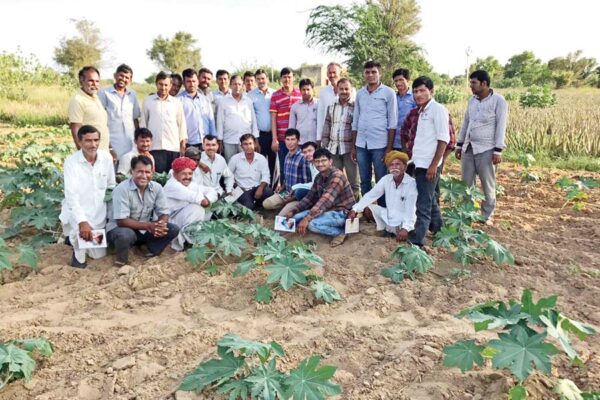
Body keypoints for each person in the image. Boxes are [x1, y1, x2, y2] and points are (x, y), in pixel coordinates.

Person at [456, 69, 508, 225]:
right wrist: (459, 145)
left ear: (484, 84)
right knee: (466, 183)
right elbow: (466, 122)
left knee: (487, 183)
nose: (471, 86)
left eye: (474, 83)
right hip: (469, 147)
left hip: (487, 148)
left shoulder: (498, 101)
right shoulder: (472, 101)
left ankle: (487, 216)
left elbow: (501, 125)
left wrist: (498, 149)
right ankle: (467, 213)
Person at [60, 125, 116, 268]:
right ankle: (75, 244)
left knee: (99, 255)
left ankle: (75, 239)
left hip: (98, 214)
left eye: (96, 140)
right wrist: (82, 221)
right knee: (81, 255)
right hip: (77, 212)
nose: (93, 144)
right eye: (88, 141)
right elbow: (71, 196)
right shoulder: (71, 162)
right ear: (79, 142)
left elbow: (111, 186)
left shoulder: (106, 158)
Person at [107, 155, 179, 266]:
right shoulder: (122, 189)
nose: (144, 176)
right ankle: (121, 260)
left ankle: (152, 251)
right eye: (140, 172)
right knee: (125, 234)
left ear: (153, 173)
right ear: (132, 172)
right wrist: (149, 226)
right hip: (121, 229)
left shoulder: (157, 188)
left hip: (144, 229)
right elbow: (121, 221)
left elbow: (164, 212)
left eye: (147, 172)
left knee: (173, 229)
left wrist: (161, 225)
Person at [284, 148, 355, 247]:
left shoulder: (337, 176)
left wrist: (307, 218)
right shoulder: (319, 177)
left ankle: (340, 232)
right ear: (313, 163)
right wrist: (294, 211)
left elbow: (325, 201)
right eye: (317, 161)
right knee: (295, 217)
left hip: (341, 212)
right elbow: (309, 198)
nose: (320, 164)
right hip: (326, 210)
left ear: (330, 161)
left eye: (323, 161)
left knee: (313, 224)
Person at [408, 76, 450, 247]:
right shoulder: (422, 111)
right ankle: (439, 229)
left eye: (422, 91)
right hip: (419, 162)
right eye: (415, 91)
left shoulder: (438, 110)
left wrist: (434, 165)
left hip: (428, 165)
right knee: (431, 199)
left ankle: (418, 240)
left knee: (423, 204)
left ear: (431, 92)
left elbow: (443, 140)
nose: (418, 95)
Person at [352, 61, 397, 203]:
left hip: (380, 144)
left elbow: (392, 122)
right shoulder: (360, 94)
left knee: (381, 179)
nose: (370, 75)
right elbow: (356, 120)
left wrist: (389, 148)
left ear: (380, 73)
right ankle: (367, 209)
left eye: (374, 72)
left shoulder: (388, 93)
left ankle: (383, 210)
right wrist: (354, 146)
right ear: (364, 74)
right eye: (367, 72)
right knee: (364, 180)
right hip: (361, 144)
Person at [349, 151, 417, 241]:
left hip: (403, 222)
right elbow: (371, 195)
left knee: (411, 228)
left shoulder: (411, 183)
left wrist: (406, 228)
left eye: (398, 164)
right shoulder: (386, 179)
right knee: (367, 209)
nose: (394, 167)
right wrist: (355, 209)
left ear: (405, 167)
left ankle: (395, 231)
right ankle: (386, 230)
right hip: (388, 217)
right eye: (391, 165)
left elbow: (411, 209)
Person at [164, 157, 218, 251]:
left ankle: (193, 238)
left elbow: (211, 191)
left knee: (206, 211)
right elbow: (200, 201)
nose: (187, 177)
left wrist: (208, 199)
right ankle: (188, 242)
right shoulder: (172, 185)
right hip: (169, 223)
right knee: (197, 209)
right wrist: (205, 200)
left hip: (179, 218)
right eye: (183, 173)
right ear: (174, 174)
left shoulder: (189, 183)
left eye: (190, 173)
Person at [140, 71, 187, 173]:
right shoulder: (148, 101)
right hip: (154, 147)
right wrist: (144, 147)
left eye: (166, 85)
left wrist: (182, 144)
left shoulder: (176, 103)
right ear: (156, 84)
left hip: (173, 147)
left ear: (170, 86)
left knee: (172, 177)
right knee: (157, 178)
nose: (163, 87)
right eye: (160, 84)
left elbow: (181, 124)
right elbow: (143, 125)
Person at [321, 78, 359, 197]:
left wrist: (355, 147)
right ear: (337, 90)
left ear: (351, 90)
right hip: (334, 148)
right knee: (335, 180)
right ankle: (339, 205)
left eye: (346, 89)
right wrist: (325, 143)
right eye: (341, 89)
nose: (344, 91)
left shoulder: (356, 106)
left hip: (349, 149)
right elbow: (327, 124)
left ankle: (354, 208)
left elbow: (357, 127)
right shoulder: (332, 106)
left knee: (353, 181)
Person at [98, 64, 141, 159]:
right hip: (112, 140)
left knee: (129, 168)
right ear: (115, 75)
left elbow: (135, 119)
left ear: (130, 80)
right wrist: (108, 145)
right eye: (121, 75)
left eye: (127, 77)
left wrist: (138, 140)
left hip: (130, 141)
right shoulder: (104, 93)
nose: (123, 79)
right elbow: (100, 119)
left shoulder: (132, 95)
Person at [263, 129, 311, 211]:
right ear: (284, 140)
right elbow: (287, 177)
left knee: (283, 215)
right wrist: (282, 187)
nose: (290, 142)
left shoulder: (303, 158)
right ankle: (286, 205)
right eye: (288, 139)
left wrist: (292, 198)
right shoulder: (287, 156)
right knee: (266, 204)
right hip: (287, 193)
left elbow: (306, 185)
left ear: (298, 141)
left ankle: (295, 206)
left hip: (298, 196)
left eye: (293, 139)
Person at [270, 67, 302, 185]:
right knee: (285, 166)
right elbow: (273, 118)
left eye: (289, 77)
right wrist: (274, 139)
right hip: (283, 139)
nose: (287, 79)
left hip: (299, 139)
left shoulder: (300, 93)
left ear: (293, 78)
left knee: (300, 166)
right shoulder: (276, 95)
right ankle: (284, 191)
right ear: (280, 79)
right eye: (284, 77)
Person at [216, 75, 259, 162]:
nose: (237, 87)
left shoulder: (248, 101)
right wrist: (220, 140)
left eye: (239, 84)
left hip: (246, 141)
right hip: (229, 140)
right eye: (234, 84)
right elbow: (220, 122)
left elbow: (254, 121)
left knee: (246, 165)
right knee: (230, 166)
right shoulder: (223, 101)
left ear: (243, 85)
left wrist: (255, 139)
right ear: (230, 85)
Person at [68, 66, 110, 152]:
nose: (94, 84)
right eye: (91, 81)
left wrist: (110, 149)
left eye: (97, 81)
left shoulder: (96, 97)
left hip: (103, 152)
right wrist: (84, 154)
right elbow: (75, 128)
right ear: (81, 81)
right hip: (90, 154)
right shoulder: (78, 100)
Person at [228, 134, 273, 210]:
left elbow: (266, 176)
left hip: (256, 188)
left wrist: (261, 188)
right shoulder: (235, 159)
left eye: (250, 143)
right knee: (249, 207)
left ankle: (256, 203)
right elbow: (228, 175)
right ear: (241, 146)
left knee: (268, 192)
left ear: (255, 144)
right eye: (245, 144)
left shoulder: (261, 158)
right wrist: (236, 187)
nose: (248, 146)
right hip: (241, 189)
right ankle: (249, 204)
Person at [248, 69, 276, 183]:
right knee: (259, 163)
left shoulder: (275, 94)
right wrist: (255, 139)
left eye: (263, 78)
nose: (261, 81)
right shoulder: (250, 96)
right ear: (255, 80)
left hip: (274, 135)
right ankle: (259, 186)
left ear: (267, 79)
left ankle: (272, 188)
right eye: (258, 79)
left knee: (273, 164)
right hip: (259, 135)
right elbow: (251, 118)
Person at [178, 68, 216, 151]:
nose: (192, 84)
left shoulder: (205, 99)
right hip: (188, 143)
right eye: (188, 81)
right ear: (184, 83)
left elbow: (211, 120)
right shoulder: (178, 101)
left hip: (205, 142)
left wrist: (214, 139)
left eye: (194, 81)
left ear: (197, 81)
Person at [392, 68, 417, 151]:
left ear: (408, 80)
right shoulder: (393, 97)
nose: (398, 83)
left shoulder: (415, 97)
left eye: (401, 80)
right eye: (396, 81)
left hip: (409, 142)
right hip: (393, 141)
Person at [289, 78, 318, 144]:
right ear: (300, 90)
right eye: (303, 90)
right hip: (300, 143)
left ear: (312, 90)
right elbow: (291, 127)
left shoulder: (319, 104)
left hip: (315, 142)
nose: (306, 92)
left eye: (308, 89)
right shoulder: (295, 107)